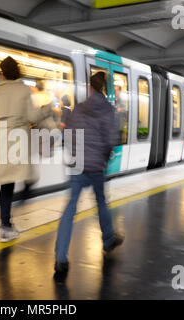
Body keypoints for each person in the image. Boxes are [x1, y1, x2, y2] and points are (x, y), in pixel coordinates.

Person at [0, 56, 53, 242]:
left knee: (6, 185)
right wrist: (46, 110)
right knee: (31, 178)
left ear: (2, 73)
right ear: (17, 71)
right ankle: (18, 205)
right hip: (17, 140)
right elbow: (33, 116)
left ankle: (5, 226)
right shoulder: (23, 90)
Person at [54, 71, 124, 274]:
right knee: (101, 201)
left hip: (77, 165)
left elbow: (69, 135)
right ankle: (108, 239)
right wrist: (103, 158)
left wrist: (76, 156)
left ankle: (60, 259)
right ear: (103, 88)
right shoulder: (109, 110)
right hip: (96, 167)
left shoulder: (79, 109)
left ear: (89, 87)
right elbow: (111, 140)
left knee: (70, 207)